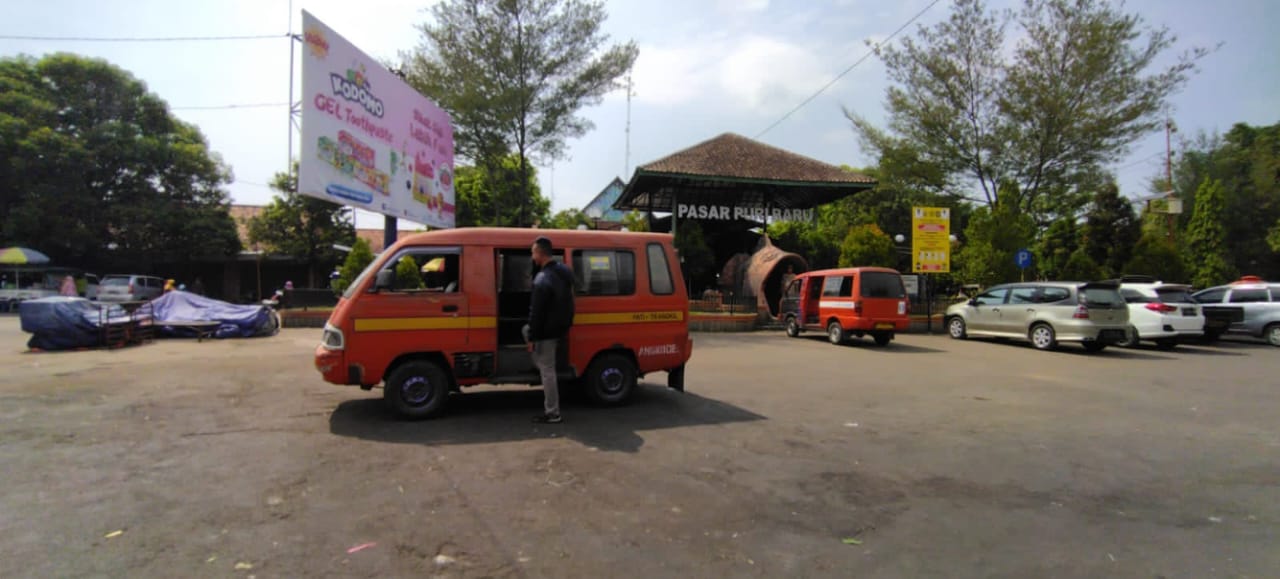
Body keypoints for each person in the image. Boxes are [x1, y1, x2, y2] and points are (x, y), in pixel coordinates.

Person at [523, 236, 575, 424]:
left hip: (546, 331)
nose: (532, 257)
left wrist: (532, 338)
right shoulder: (564, 271)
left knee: (547, 370)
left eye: (532, 253)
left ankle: (553, 413)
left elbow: (536, 313)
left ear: (539, 253)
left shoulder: (542, 279)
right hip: (561, 327)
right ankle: (537, 362)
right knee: (546, 364)